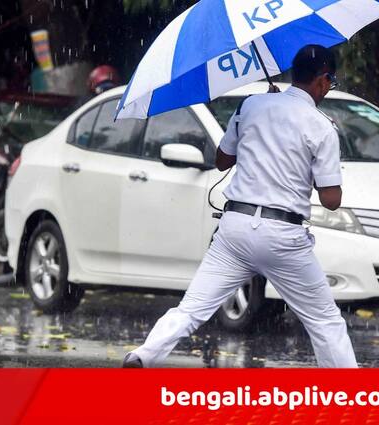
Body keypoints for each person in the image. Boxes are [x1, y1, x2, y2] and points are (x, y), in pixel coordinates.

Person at [123, 44, 357, 368]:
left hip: (235, 228)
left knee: (191, 309)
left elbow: (221, 161)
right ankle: (350, 396)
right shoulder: (321, 126)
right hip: (283, 236)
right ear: (322, 80)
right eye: (331, 82)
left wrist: (261, 125)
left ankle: (142, 356)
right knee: (325, 322)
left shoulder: (251, 106)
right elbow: (332, 201)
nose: (329, 88)